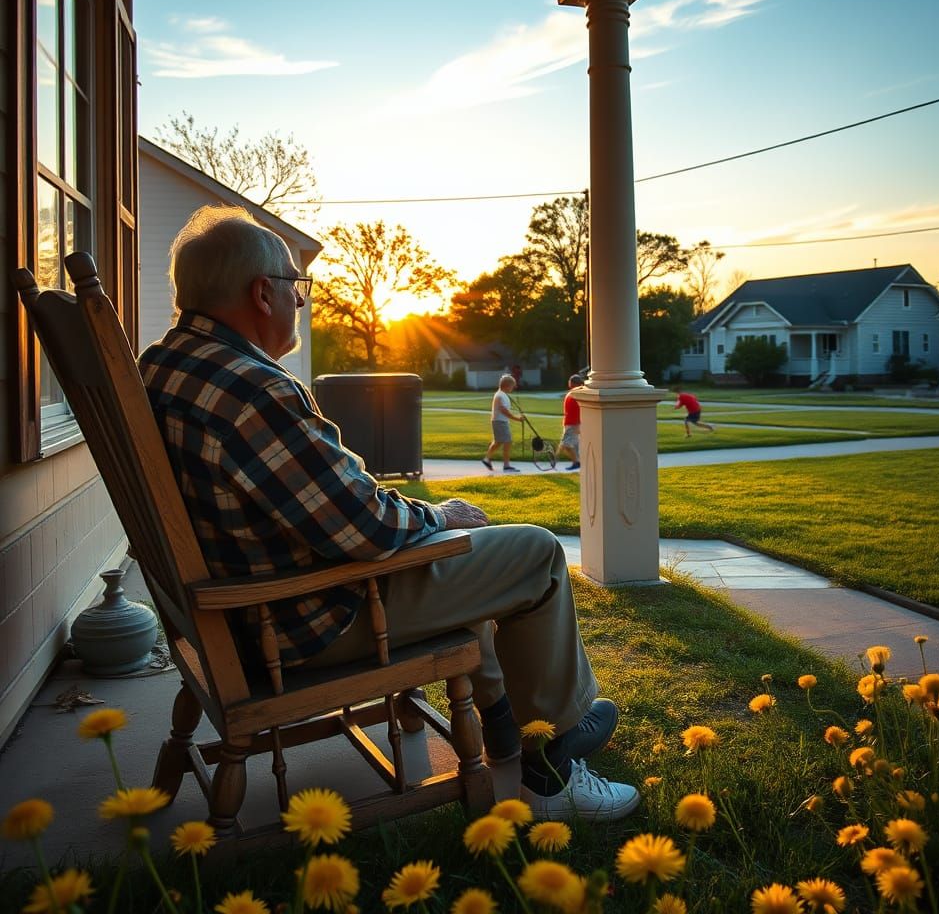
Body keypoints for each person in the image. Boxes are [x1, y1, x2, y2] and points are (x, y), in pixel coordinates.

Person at [137, 205, 638, 821]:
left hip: (233, 613)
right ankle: (555, 759)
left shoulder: (164, 365)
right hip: (303, 620)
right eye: (299, 286)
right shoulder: (250, 390)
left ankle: (509, 727)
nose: (303, 300)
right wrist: (443, 515)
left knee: (473, 567)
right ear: (263, 294)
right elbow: (367, 526)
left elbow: (328, 503)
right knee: (533, 554)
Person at [482, 374, 523, 473]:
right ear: (507, 386)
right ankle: (506, 465)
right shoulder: (500, 395)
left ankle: (487, 459)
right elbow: (503, 410)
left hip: (500, 421)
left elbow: (506, 409)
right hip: (500, 422)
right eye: (512, 386)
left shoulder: (501, 394)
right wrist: (517, 418)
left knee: (498, 442)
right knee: (507, 442)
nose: (513, 388)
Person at [555, 374, 584, 471]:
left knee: (566, 445)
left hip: (573, 423)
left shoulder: (579, 394)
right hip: (570, 423)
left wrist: (577, 424)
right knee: (571, 445)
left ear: (573, 383)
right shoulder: (572, 393)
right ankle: (556, 459)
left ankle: (576, 462)